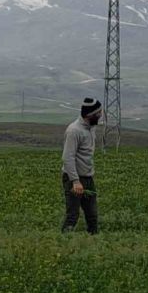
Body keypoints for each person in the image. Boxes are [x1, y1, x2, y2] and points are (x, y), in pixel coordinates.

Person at [61, 97, 102, 234]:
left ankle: (94, 241)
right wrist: (75, 181)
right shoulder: (74, 131)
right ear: (90, 115)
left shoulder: (91, 127)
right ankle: (64, 242)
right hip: (75, 179)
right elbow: (68, 158)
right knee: (73, 215)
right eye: (98, 113)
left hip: (88, 178)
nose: (101, 115)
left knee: (92, 215)